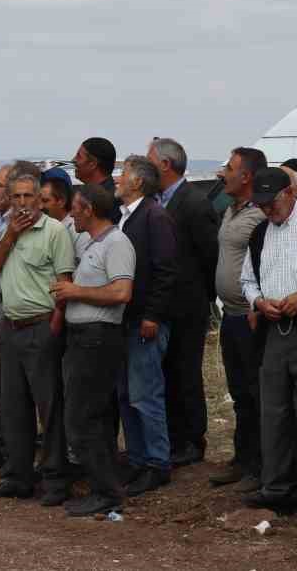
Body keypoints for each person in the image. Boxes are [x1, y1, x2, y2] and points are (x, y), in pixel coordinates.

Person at [240, 167, 297, 523]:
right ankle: (276, 488)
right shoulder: (260, 233)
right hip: (272, 331)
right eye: (261, 204)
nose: (267, 210)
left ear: (289, 194)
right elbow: (247, 278)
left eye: (272, 202)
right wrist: (259, 301)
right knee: (273, 414)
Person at [0, 168, 74, 505]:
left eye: (27, 196)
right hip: (10, 326)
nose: (21, 203)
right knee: (14, 407)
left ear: (38, 199)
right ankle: (18, 476)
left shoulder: (54, 232)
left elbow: (64, 283)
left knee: (49, 407)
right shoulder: (9, 232)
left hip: (41, 326)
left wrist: (54, 326)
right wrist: (9, 238)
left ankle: (55, 479)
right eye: (16, 196)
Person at [53, 184, 134, 517]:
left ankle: (105, 491)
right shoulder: (88, 241)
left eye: (75, 207)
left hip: (98, 338)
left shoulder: (117, 243)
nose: (71, 213)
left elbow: (121, 292)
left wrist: (75, 291)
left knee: (85, 417)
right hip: (81, 336)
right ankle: (104, 486)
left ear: (88, 209)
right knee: (89, 417)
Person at [150, 137, 220, 468]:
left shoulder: (194, 202)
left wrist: (202, 298)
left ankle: (192, 440)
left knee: (185, 373)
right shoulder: (157, 201)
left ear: (165, 164)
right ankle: (173, 438)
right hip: (163, 305)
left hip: (187, 305)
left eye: (150, 160)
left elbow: (209, 257)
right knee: (167, 374)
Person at [113, 155, 179, 494]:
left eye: (122, 174)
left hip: (145, 322)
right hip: (126, 321)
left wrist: (153, 315)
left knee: (145, 395)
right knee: (127, 394)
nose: (117, 178)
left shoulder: (155, 216)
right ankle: (137, 459)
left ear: (137, 182)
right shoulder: (127, 217)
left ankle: (157, 462)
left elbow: (166, 270)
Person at [210, 147, 269, 490]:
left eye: (229, 168)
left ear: (246, 176)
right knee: (238, 392)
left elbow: (264, 261)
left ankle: (259, 465)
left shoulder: (258, 215)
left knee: (254, 391)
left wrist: (256, 305)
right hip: (231, 315)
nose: (223, 174)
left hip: (250, 316)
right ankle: (243, 458)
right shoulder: (231, 211)